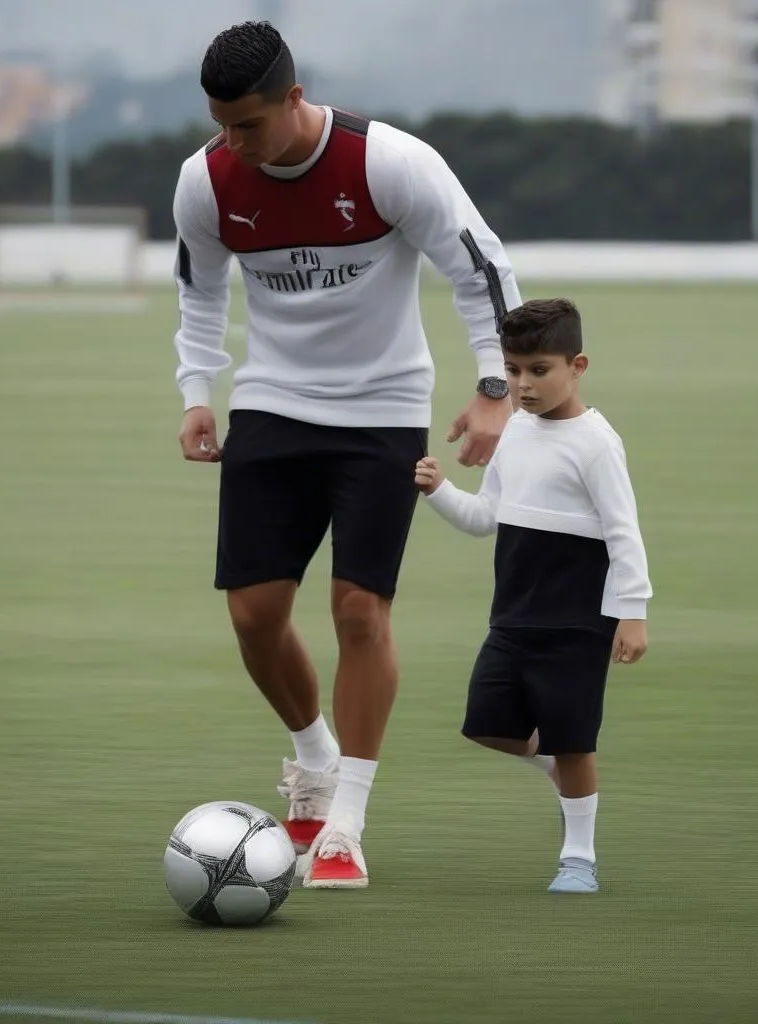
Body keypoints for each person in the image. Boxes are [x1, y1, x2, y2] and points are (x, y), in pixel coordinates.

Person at [171, 20, 520, 889]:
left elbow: (480, 268)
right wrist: (195, 395)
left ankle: (345, 824)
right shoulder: (206, 182)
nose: (232, 142)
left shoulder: (390, 163)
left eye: (247, 124)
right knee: (252, 616)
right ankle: (312, 754)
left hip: (382, 412)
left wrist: (493, 387)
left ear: (295, 99)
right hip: (273, 407)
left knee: (360, 612)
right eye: (220, 124)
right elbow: (199, 290)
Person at [414, 297, 652, 894]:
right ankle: (561, 773)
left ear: (578, 366)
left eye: (539, 370)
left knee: (574, 738)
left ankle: (579, 857)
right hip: (513, 616)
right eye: (514, 370)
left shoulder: (596, 443)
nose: (523, 385)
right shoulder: (515, 433)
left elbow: (625, 532)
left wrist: (633, 613)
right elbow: (485, 516)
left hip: (578, 622)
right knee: (486, 723)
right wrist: (439, 490)